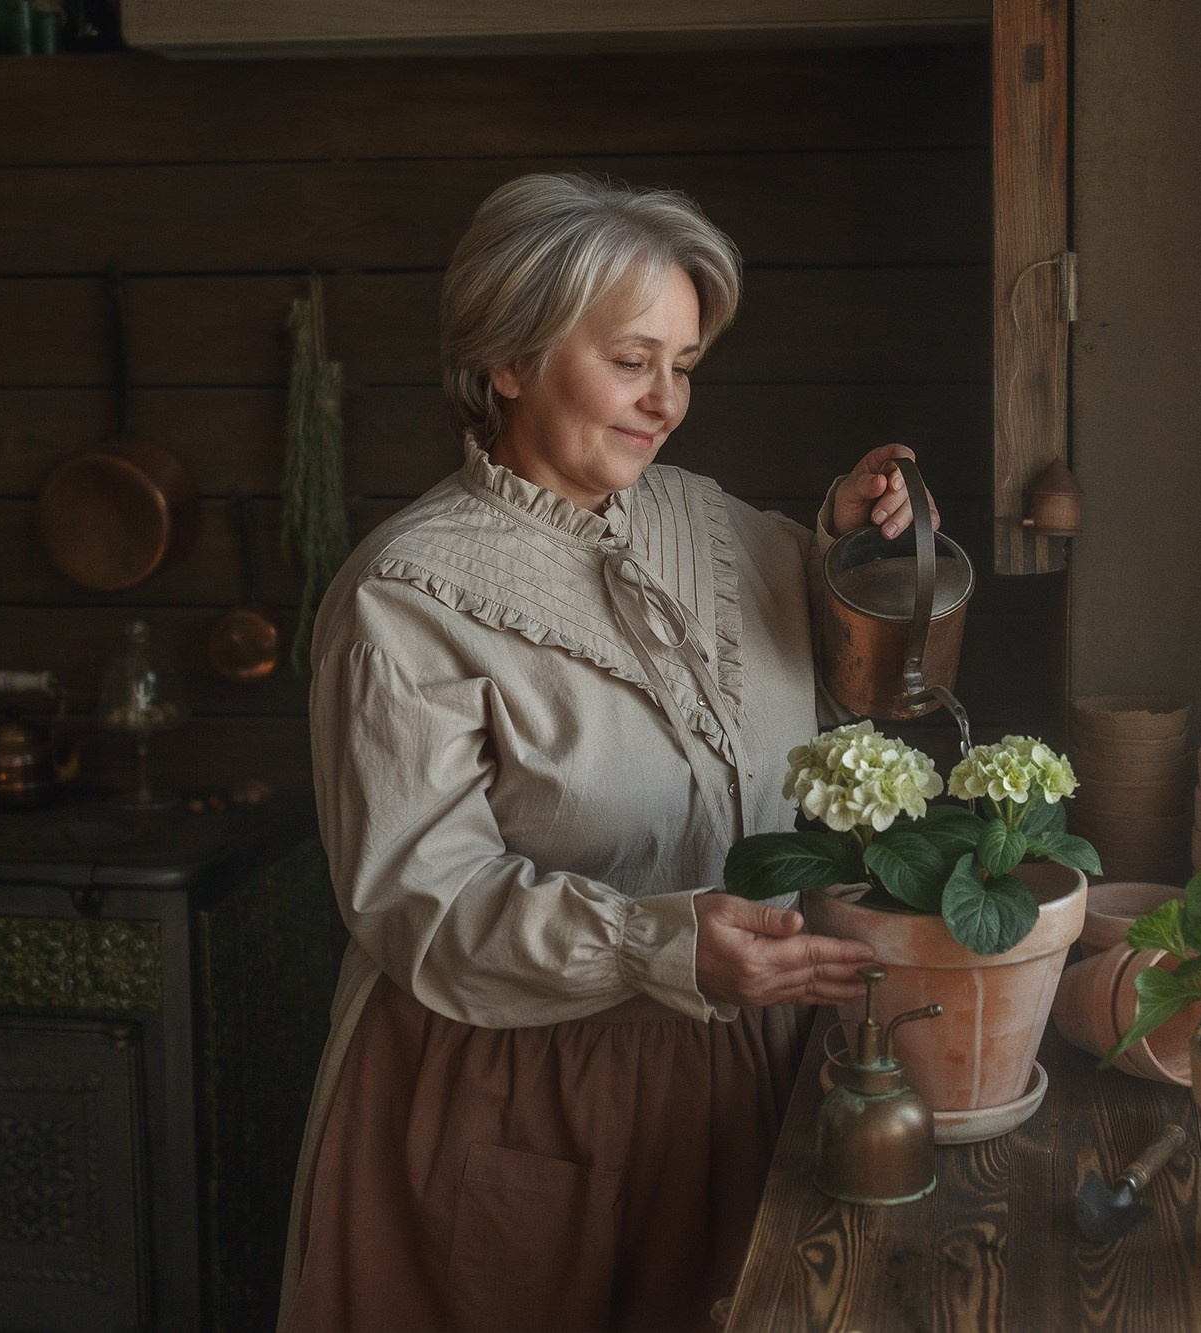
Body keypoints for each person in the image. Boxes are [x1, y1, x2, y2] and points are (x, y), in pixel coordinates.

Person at [276, 172, 941, 1333]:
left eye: (683, 366)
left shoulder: (709, 521)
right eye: (632, 361)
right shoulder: (404, 596)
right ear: (508, 359)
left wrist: (851, 545)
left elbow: (826, 680)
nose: (666, 402)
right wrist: (652, 942)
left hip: (748, 1074)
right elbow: (415, 902)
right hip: (525, 1098)